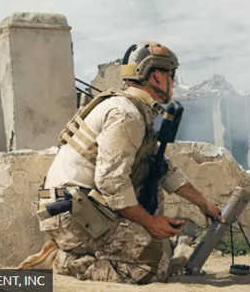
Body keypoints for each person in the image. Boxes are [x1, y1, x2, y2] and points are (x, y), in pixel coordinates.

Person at [21, 41, 222, 284]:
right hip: (69, 214)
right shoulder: (127, 115)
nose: (174, 82)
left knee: (161, 247)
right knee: (152, 266)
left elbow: (163, 168)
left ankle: (85, 253)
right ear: (157, 76)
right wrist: (149, 222)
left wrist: (204, 203)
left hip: (79, 207)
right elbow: (111, 182)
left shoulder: (134, 111)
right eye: (172, 75)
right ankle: (63, 262)